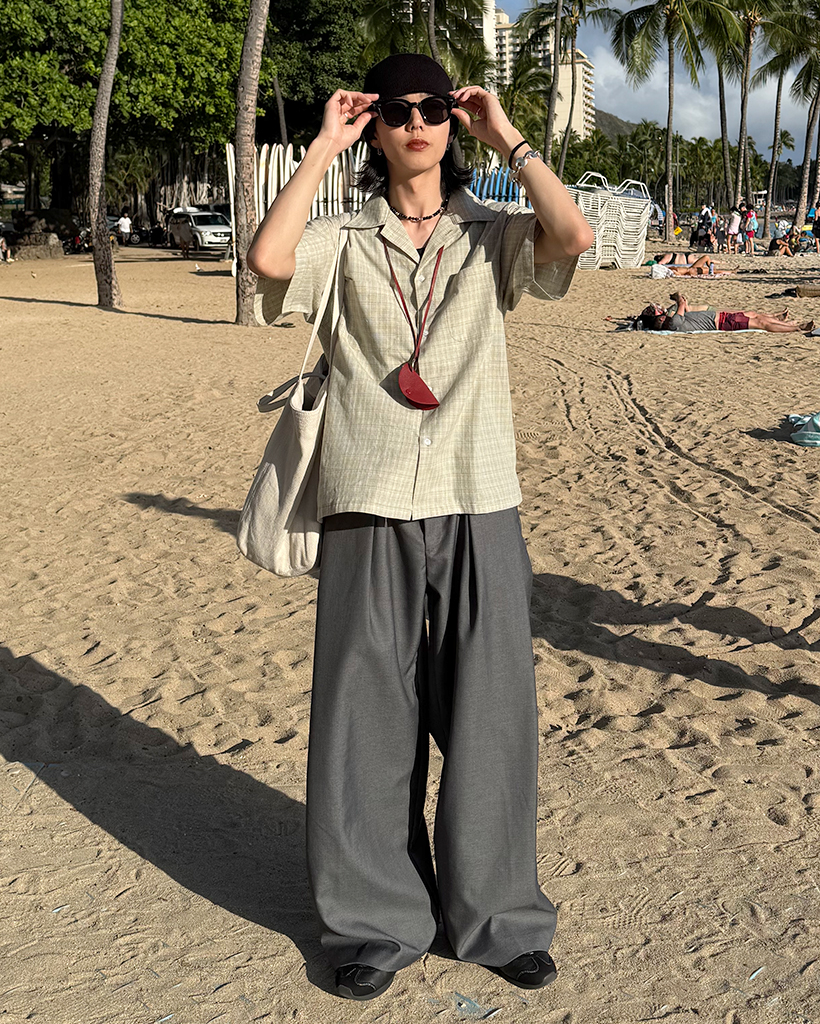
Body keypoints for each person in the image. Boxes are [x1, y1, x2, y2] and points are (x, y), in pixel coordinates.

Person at [247, 53, 594, 1002]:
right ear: (375, 125)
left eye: (433, 108)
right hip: (367, 492)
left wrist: (506, 136)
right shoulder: (341, 236)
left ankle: (497, 915)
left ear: (452, 119)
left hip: (477, 489)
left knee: (491, 709)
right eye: (396, 110)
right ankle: (374, 921)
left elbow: (573, 233)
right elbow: (268, 263)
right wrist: (321, 149)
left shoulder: (494, 234)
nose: (415, 123)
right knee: (364, 711)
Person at [639, 291, 813, 333]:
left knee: (755, 315)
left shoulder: (673, 321)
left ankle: (782, 321)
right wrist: (676, 297)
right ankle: (796, 328)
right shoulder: (674, 323)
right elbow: (682, 302)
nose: (661, 313)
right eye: (658, 314)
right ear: (659, 320)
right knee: (762, 324)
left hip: (723, 317)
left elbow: (683, 308)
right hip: (724, 323)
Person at [649, 254, 729, 278]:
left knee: (708, 267)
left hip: (690, 268)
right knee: (706, 259)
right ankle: (726, 270)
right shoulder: (667, 256)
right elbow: (677, 274)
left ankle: (714, 268)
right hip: (691, 269)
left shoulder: (670, 268)